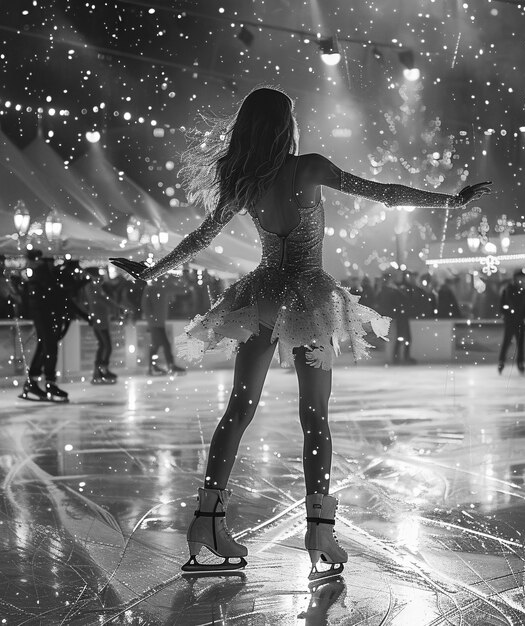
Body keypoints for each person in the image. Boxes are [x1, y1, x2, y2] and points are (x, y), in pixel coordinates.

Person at [110, 86, 491, 580]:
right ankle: (319, 529)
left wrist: (151, 270)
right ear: (285, 125)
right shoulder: (308, 167)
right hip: (308, 297)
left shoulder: (242, 179)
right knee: (315, 415)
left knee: (238, 408)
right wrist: (450, 201)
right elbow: (385, 193)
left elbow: (201, 237)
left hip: (263, 296)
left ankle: (206, 521)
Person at [19, 250, 69, 402]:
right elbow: (54, 298)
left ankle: (33, 383)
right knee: (49, 348)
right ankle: (48, 384)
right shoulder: (43, 276)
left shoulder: (42, 276)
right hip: (46, 317)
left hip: (46, 317)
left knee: (45, 348)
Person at [82, 267, 122, 384]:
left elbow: (103, 299)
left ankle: (99, 371)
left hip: (100, 320)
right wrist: (114, 306)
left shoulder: (94, 287)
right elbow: (99, 300)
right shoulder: (91, 287)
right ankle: (101, 370)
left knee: (103, 346)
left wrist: (114, 305)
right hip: (99, 321)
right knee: (106, 346)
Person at [141, 275, 187, 376]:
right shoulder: (151, 289)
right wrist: (151, 319)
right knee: (165, 344)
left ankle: (152, 367)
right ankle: (169, 365)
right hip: (155, 323)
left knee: (156, 345)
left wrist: (181, 280)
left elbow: (183, 290)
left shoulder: (163, 288)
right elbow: (145, 305)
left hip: (158, 322)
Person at [498, 270, 525, 375]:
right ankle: (501, 361)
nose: (522, 280)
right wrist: (508, 313)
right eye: (520, 278)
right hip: (510, 321)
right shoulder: (508, 290)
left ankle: (520, 363)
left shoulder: (524, 291)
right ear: (515, 279)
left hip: (520, 321)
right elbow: (503, 305)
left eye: (523, 278)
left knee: (520, 344)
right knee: (507, 342)